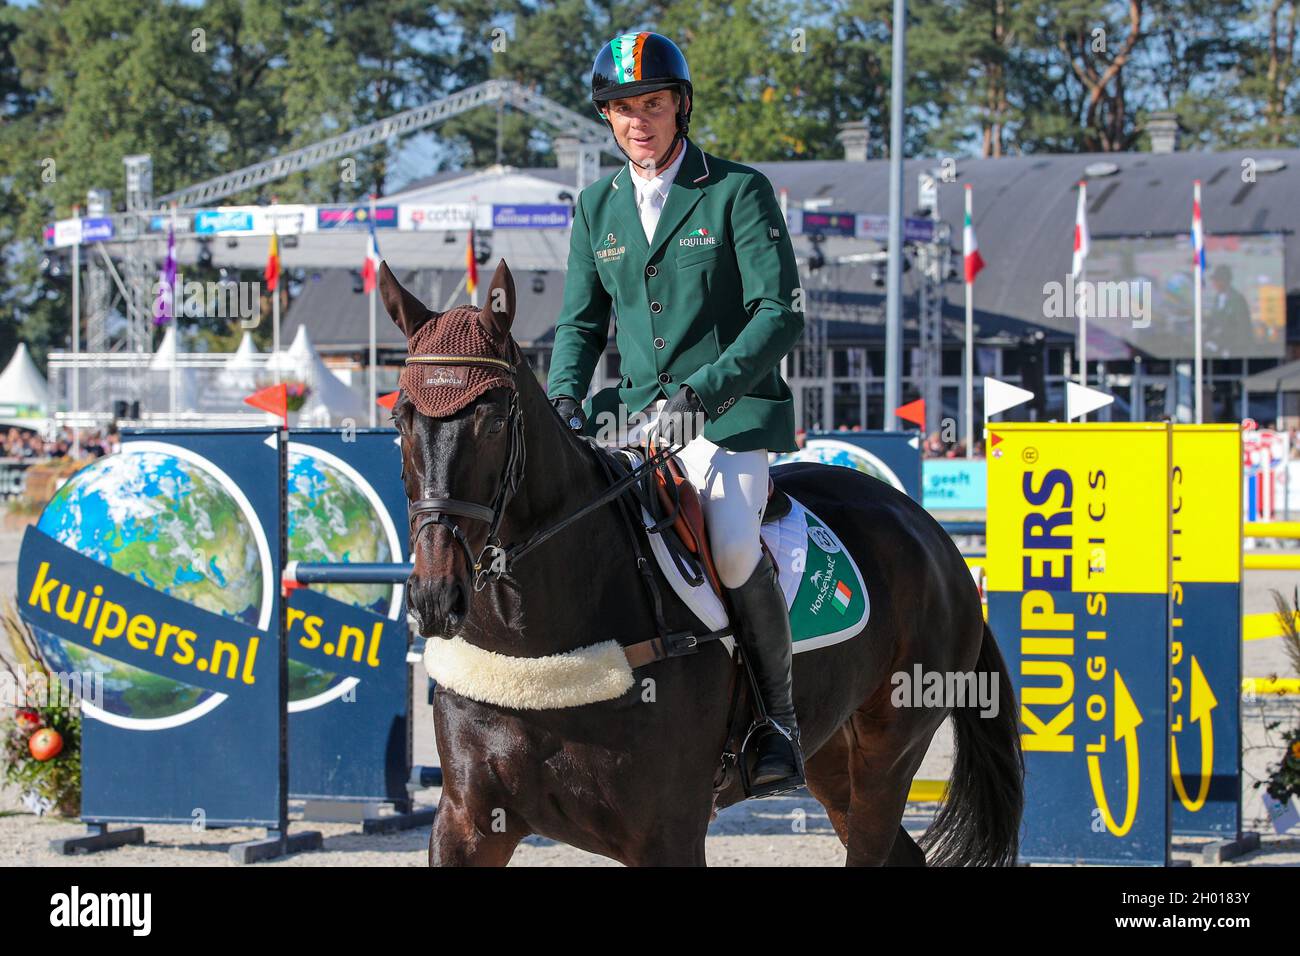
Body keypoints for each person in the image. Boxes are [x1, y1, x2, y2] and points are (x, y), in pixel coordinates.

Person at [546, 31, 807, 791]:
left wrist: (701, 396)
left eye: (652, 104)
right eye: (623, 109)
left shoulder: (736, 191)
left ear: (680, 106)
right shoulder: (595, 207)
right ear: (607, 117)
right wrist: (564, 398)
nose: (639, 122)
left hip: (726, 415)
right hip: (631, 418)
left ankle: (777, 721)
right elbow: (580, 326)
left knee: (732, 547)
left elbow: (778, 313)